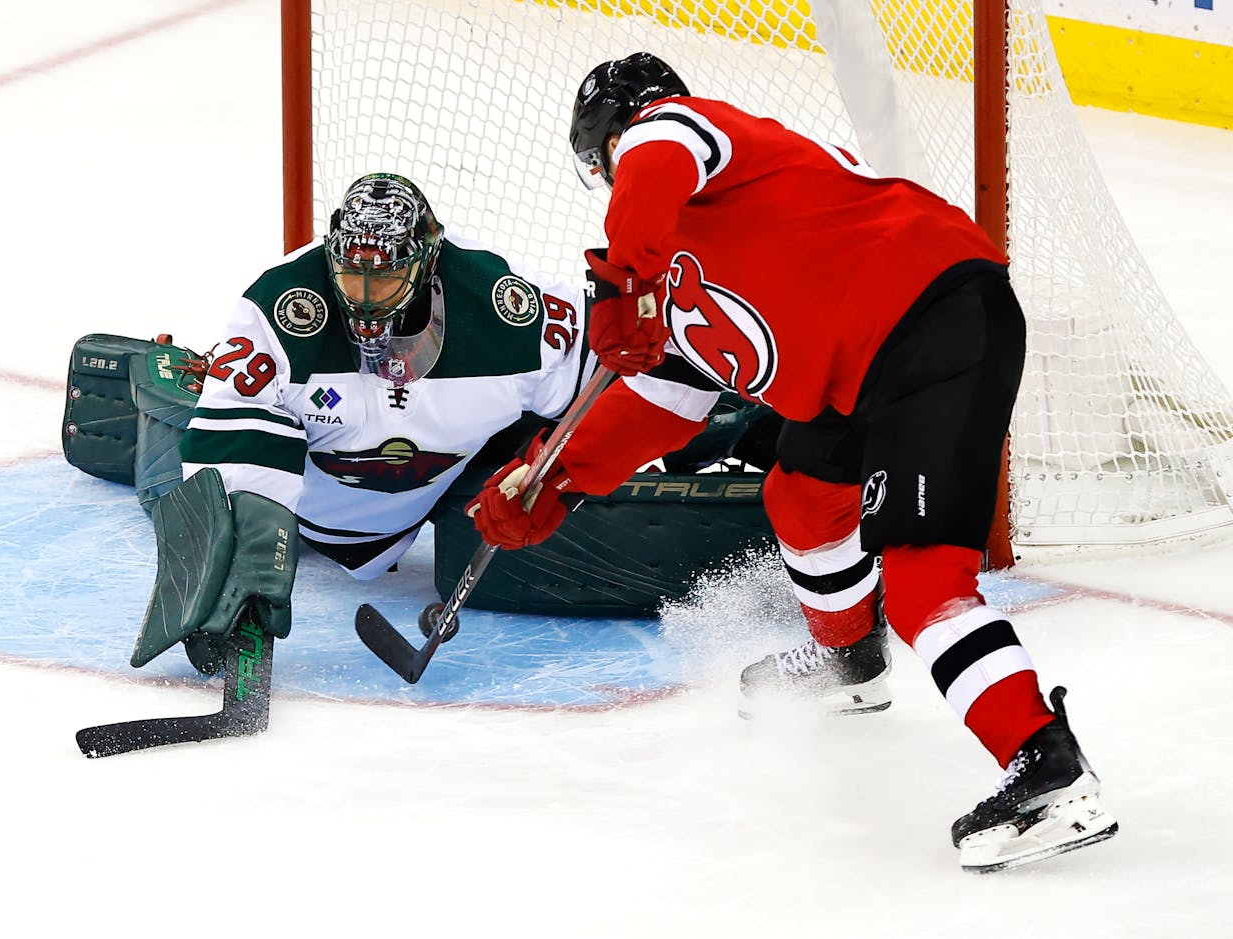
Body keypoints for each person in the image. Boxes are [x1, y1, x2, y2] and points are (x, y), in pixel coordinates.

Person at [467, 53, 1117, 872]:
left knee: (925, 582)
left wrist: (620, 277)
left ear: (606, 149)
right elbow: (664, 403)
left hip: (933, 321)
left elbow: (657, 147)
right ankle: (849, 657)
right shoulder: (668, 267)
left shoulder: (691, 138)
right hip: (855, 373)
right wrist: (553, 475)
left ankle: (1047, 765)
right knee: (802, 494)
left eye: (603, 164)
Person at [126, 172, 597, 677]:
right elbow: (229, 458)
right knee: (186, 466)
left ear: (428, 259)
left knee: (535, 449)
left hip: (419, 498)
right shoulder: (280, 305)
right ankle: (170, 403)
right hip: (299, 507)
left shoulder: (511, 311)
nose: (367, 300)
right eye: (353, 278)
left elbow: (611, 382)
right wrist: (238, 558)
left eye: (386, 278)